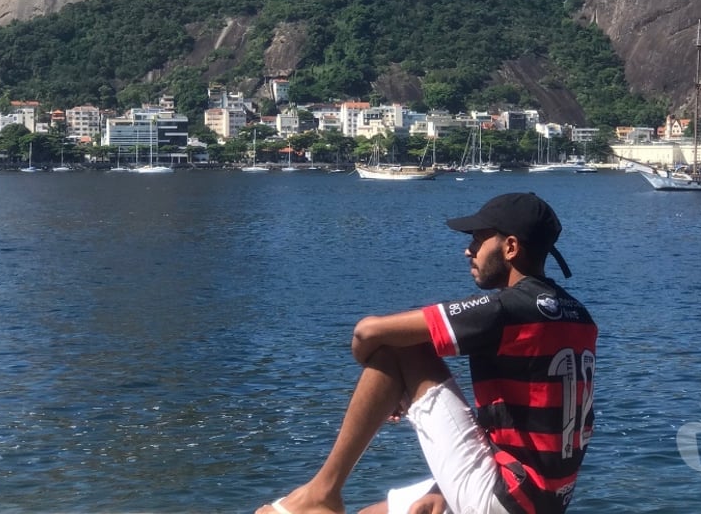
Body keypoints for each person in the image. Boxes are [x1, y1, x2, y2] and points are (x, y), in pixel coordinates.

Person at [256, 192, 597, 514]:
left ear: (510, 247)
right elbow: (520, 422)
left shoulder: (506, 310)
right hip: (541, 498)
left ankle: (322, 492)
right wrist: (439, 487)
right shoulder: (579, 316)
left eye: (478, 240)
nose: (468, 251)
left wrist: (384, 377)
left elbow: (368, 332)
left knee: (401, 348)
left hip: (505, 498)